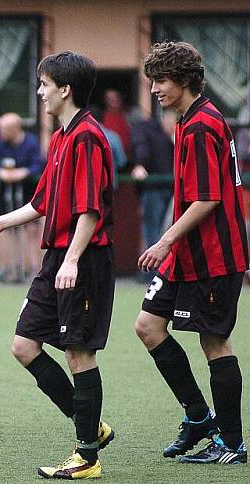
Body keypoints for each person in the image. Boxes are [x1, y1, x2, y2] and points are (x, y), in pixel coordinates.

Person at [0, 51, 115, 480]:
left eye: (44, 85)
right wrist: (0, 222)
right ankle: (92, 425)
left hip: (82, 259)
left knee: (79, 352)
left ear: (65, 90)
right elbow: (42, 202)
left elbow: (90, 210)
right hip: (57, 258)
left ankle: (86, 456)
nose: (39, 92)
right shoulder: (61, 136)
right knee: (24, 345)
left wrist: (71, 260)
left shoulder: (88, 136)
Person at [134, 41, 247, 465]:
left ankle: (232, 444)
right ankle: (200, 418)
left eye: (161, 81)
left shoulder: (201, 125)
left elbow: (207, 199)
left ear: (185, 80)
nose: (155, 89)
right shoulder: (187, 119)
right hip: (188, 253)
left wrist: (164, 240)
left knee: (215, 342)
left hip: (214, 253)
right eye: (152, 81)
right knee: (148, 326)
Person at [0, 112, 44, 281]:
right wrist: (0, 172)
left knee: (32, 230)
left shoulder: (31, 142)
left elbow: (39, 164)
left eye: (3, 129)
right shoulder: (0, 143)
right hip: (7, 192)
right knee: (9, 229)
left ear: (14, 129)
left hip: (28, 191)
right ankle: (14, 268)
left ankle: (34, 268)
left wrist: (23, 172)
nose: (0, 132)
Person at [130, 110, 175, 262]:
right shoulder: (147, 129)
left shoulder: (174, 136)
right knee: (152, 230)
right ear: (165, 118)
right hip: (153, 188)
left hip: (170, 187)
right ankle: (152, 271)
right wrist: (139, 165)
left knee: (164, 229)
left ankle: (160, 270)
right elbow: (141, 149)